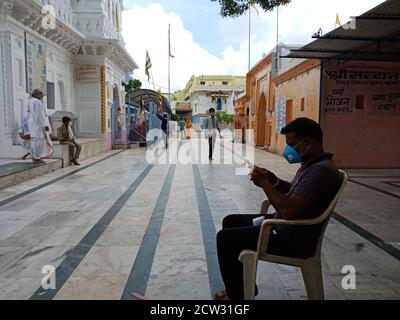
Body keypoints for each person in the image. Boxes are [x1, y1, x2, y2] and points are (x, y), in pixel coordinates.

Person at [214, 118, 343, 300]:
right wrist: (274, 180)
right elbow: (294, 192)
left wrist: (265, 184)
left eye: (292, 144)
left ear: (307, 143)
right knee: (230, 221)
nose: (288, 149)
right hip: (285, 227)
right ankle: (242, 286)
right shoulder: (313, 165)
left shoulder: (320, 171)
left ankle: (237, 296)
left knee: (225, 239)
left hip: (291, 238)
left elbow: (289, 212)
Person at [26, 89, 54, 163]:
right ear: (36, 94)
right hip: (38, 124)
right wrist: (45, 126)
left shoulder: (30, 101)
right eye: (41, 94)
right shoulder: (37, 102)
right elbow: (40, 116)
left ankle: (35, 157)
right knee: (39, 141)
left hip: (32, 124)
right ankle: (36, 158)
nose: (42, 95)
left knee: (35, 140)